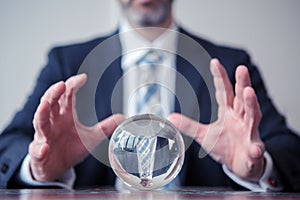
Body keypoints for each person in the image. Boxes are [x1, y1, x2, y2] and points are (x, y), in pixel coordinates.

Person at [0, 0, 300, 192]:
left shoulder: (229, 64)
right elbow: (9, 145)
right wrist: (37, 167)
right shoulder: (67, 62)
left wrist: (258, 168)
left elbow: (288, 148)